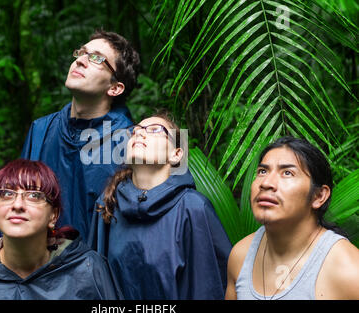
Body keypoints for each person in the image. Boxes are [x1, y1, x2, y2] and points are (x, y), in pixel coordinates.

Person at [0, 30, 140, 243]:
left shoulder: (131, 142)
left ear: (115, 88)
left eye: (96, 58)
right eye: (81, 53)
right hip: (37, 267)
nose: (80, 61)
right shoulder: (41, 129)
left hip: (97, 271)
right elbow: (16, 199)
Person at [88, 112, 232, 299]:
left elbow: (210, 287)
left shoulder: (193, 207)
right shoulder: (107, 204)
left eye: (155, 130)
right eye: (135, 131)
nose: (139, 134)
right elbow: (94, 283)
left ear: (176, 154)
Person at [0, 159, 122, 300]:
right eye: (7, 194)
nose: (17, 205)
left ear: (53, 215)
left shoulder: (87, 270)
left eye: (34, 195)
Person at [225, 136, 359, 300]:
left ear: (318, 196)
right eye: (262, 171)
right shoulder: (241, 255)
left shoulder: (348, 268)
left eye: (287, 173)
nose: (266, 182)